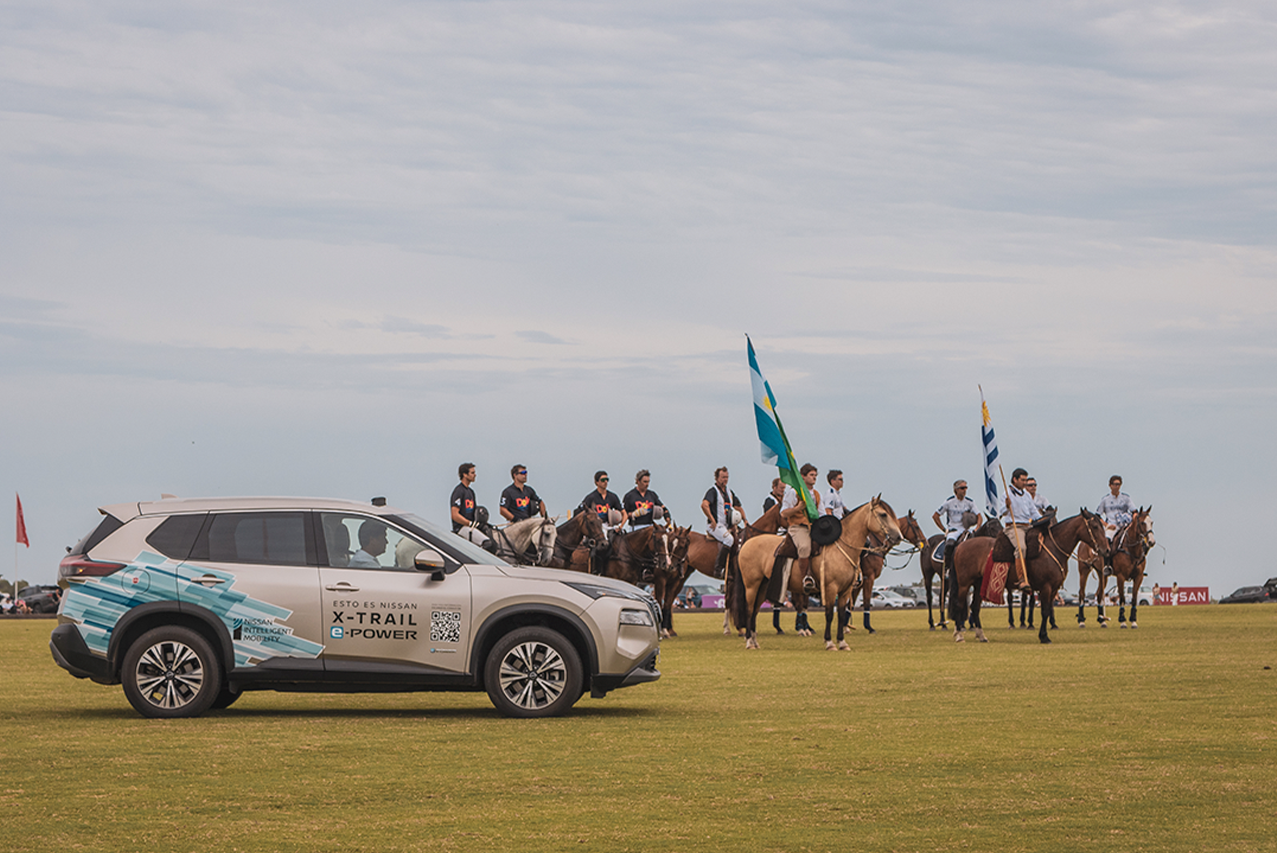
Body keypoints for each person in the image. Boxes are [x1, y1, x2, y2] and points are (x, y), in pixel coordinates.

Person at [781, 463, 823, 594]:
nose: (814, 478)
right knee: (805, 547)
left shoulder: (816, 494)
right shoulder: (794, 492)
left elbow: (821, 513)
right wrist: (797, 509)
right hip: (798, 527)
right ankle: (806, 577)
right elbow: (783, 513)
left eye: (815, 475)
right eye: (811, 475)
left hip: (813, 527)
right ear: (803, 477)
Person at [701, 466, 745, 574]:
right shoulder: (713, 491)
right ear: (717, 478)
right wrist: (712, 520)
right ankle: (719, 568)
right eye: (722, 477)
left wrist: (746, 520)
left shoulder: (729, 492)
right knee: (729, 540)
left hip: (728, 525)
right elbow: (704, 505)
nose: (725, 479)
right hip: (716, 526)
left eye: (726, 477)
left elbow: (738, 507)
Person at [931, 480, 977, 567]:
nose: (965, 490)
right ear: (956, 490)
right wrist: (944, 529)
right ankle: (948, 568)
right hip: (953, 530)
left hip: (966, 530)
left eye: (966, 488)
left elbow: (979, 516)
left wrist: (977, 528)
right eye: (962, 488)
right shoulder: (949, 502)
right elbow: (935, 516)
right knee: (950, 545)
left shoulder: (970, 502)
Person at [1096, 474, 1135, 575]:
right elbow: (1097, 516)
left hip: (1125, 525)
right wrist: (1106, 525)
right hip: (1112, 526)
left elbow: (1135, 512)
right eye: (1115, 484)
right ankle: (1107, 565)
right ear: (1110, 485)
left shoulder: (1126, 498)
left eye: (1118, 484)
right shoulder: (1105, 500)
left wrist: (1133, 522)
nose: (1117, 486)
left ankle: (1138, 563)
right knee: (1107, 542)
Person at [450, 463, 479, 533]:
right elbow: (454, 515)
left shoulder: (471, 492)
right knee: (486, 542)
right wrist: (469, 523)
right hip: (461, 528)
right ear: (465, 474)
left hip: (470, 527)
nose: (475, 475)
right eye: (472, 473)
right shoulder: (459, 491)